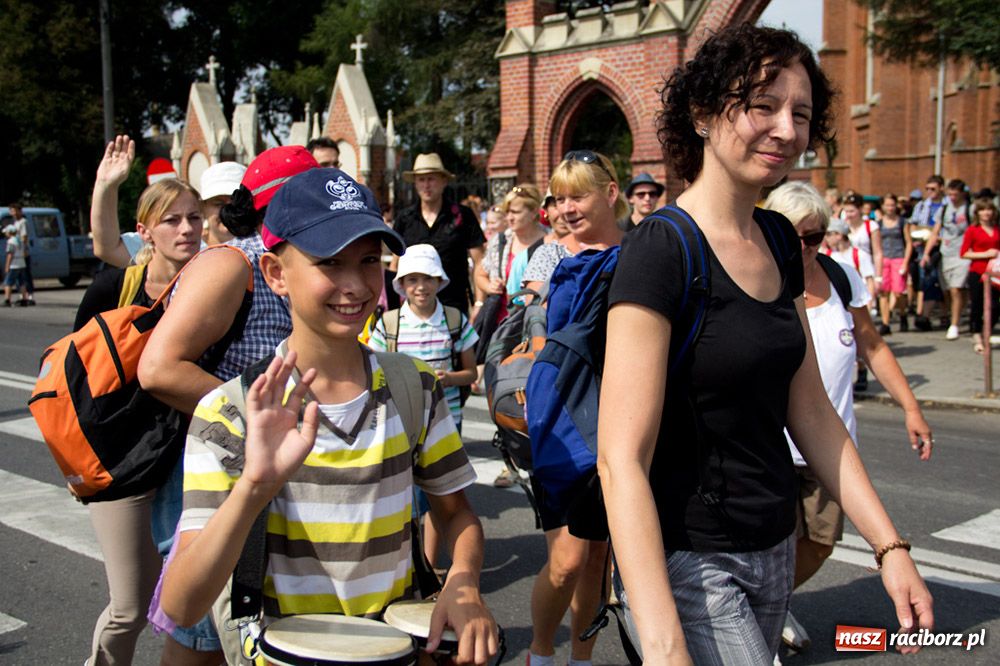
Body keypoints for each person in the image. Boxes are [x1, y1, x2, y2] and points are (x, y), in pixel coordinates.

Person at [598, 24, 933, 665]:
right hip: (690, 557)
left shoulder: (780, 238)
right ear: (702, 113)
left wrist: (890, 548)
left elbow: (808, 409)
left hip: (775, 543)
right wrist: (665, 644)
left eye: (801, 114)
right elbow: (620, 460)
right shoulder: (660, 250)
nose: (785, 129)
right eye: (761, 105)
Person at [159, 167, 499, 666]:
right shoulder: (230, 411)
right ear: (276, 274)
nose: (355, 284)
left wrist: (465, 583)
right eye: (329, 262)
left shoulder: (414, 387)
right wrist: (255, 485)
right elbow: (182, 603)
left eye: (367, 261)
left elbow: (456, 514)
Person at [138, 146, 318, 664]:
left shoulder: (293, 261)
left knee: (246, 628)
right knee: (202, 634)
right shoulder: (231, 264)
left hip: (260, 465)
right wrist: (253, 410)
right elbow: (159, 369)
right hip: (211, 464)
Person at [764, 181, 933, 653]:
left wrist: (911, 408)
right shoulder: (757, 278)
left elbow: (873, 345)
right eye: (792, 235)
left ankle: (772, 605)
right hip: (769, 446)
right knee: (769, 548)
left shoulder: (841, 278)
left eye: (814, 237)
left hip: (829, 448)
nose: (803, 247)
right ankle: (760, 625)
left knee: (819, 542)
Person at [74, 177, 204, 666]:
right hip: (122, 463)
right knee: (130, 608)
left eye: (194, 217)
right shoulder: (118, 284)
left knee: (186, 600)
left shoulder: (211, 282)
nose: (187, 228)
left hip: (183, 460)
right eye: (172, 220)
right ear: (145, 231)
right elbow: (72, 373)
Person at [524, 150, 626, 666]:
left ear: (610, 192)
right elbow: (539, 333)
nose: (565, 208)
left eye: (577, 195)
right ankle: (541, 652)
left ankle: (580, 661)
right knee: (566, 561)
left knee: (597, 562)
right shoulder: (551, 259)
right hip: (561, 421)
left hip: (617, 422)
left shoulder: (640, 255)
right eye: (559, 198)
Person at [391, 153, 486, 314]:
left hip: (454, 304)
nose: (426, 185)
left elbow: (480, 262)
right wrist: (394, 307)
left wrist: (479, 303)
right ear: (415, 183)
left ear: (444, 181)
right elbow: (395, 265)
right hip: (414, 305)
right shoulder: (405, 219)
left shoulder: (463, 216)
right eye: (421, 180)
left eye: (431, 179)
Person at [923, 179, 971, 340]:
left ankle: (954, 324)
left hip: (964, 254)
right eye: (950, 194)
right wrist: (926, 253)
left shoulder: (970, 209)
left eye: (955, 194)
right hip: (946, 254)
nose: (952, 197)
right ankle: (958, 313)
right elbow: (935, 232)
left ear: (962, 193)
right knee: (948, 291)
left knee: (956, 289)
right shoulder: (944, 209)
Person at [961, 195, 1000, 354]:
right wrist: (985, 254)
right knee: (977, 304)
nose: (986, 213)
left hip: (995, 273)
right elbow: (964, 253)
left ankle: (987, 331)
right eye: (983, 210)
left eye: (989, 209)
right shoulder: (972, 230)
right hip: (977, 271)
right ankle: (977, 334)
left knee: (996, 306)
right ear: (977, 213)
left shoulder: (997, 229)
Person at [911, 175, 947, 331]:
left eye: (933, 188)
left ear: (941, 188)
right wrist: (916, 237)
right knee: (928, 280)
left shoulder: (947, 205)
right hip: (923, 248)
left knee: (940, 281)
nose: (930, 192)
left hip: (942, 247)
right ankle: (934, 315)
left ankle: (936, 314)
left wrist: (938, 237)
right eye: (927, 189)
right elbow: (913, 225)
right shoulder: (921, 206)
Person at [876, 193, 913, 334]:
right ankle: (886, 323)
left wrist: (905, 262)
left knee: (898, 292)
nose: (890, 208)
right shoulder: (878, 224)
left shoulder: (902, 222)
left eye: (892, 205)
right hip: (884, 258)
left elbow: (908, 243)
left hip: (898, 258)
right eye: (887, 205)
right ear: (883, 206)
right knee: (884, 292)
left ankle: (902, 314)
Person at [842, 192, 881, 305]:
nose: (848, 214)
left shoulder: (871, 226)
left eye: (852, 211)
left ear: (860, 209)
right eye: (846, 211)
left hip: (866, 271)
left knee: (865, 304)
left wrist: (878, 277)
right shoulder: (842, 226)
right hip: (847, 268)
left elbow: (877, 252)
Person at [199, 161, 247, 245]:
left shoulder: (263, 251)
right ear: (203, 208)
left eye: (236, 202)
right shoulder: (191, 253)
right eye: (219, 204)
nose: (228, 210)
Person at [7, 203, 35, 304]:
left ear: (19, 211)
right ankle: (23, 295)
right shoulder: (15, 223)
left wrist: (23, 251)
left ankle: (30, 295)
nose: (13, 213)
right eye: (11, 211)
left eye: (14, 211)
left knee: (26, 274)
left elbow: (24, 237)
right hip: (17, 252)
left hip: (22, 252)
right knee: (20, 275)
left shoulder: (23, 222)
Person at [3, 225, 29, 306]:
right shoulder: (20, 240)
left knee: (8, 282)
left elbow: (10, 254)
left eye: (6, 232)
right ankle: (24, 299)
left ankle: (7, 300)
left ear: (9, 233)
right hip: (22, 263)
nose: (5, 234)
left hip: (14, 264)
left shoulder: (10, 241)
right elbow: (25, 253)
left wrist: (7, 266)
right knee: (22, 282)